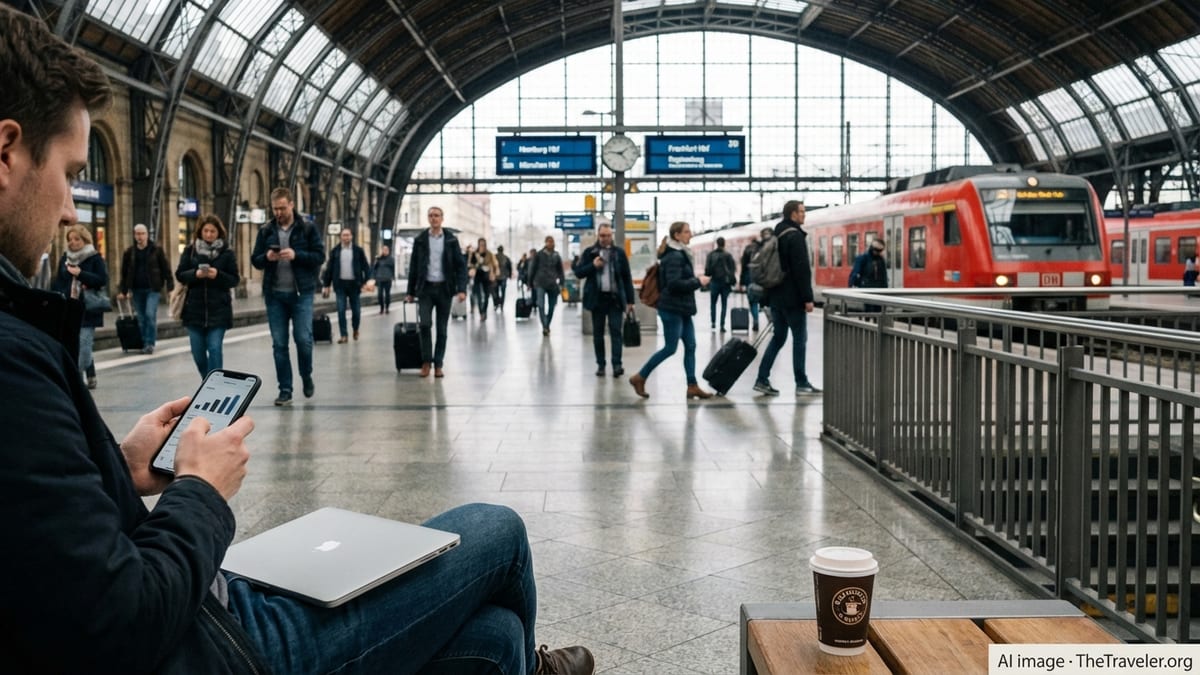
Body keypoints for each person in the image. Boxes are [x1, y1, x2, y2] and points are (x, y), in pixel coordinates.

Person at [0, 8, 594, 674]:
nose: (71, 208)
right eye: (70, 171)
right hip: (213, 644)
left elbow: (45, 524)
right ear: (7, 151)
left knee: (494, 637)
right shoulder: (10, 354)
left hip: (199, 610)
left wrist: (117, 461)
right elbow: (120, 621)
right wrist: (197, 488)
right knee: (499, 532)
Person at [251, 187, 325, 406]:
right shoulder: (266, 231)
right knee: (279, 344)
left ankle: (306, 375)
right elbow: (255, 259)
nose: (279, 213)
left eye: (282, 208)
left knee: (303, 339)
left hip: (302, 293)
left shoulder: (307, 229)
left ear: (292, 204)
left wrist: (296, 255)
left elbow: (319, 256)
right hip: (275, 295)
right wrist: (267, 256)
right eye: (275, 209)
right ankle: (285, 389)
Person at [629, 221, 714, 401]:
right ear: (677, 235)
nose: (690, 234)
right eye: (687, 232)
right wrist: (698, 281)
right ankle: (639, 377)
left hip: (682, 308)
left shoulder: (680, 254)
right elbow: (674, 284)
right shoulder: (674, 257)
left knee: (690, 346)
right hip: (672, 308)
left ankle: (692, 386)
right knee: (670, 348)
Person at [753, 200, 822, 397]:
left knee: (778, 338)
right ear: (793, 214)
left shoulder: (777, 234)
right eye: (802, 212)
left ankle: (762, 379)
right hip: (792, 298)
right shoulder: (795, 236)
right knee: (800, 339)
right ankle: (801, 382)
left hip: (776, 297)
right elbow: (801, 270)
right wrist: (808, 298)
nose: (804, 215)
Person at [405, 205, 468, 378]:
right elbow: (414, 267)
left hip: (444, 290)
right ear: (428, 218)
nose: (434, 218)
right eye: (431, 215)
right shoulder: (420, 240)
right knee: (424, 325)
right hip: (425, 289)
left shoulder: (451, 240)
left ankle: (438, 364)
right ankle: (426, 361)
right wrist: (410, 291)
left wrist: (461, 289)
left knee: (442, 329)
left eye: (437, 215)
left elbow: (460, 266)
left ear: (442, 218)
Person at [175, 214, 238, 377]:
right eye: (206, 231)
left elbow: (234, 279)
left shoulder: (227, 253)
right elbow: (180, 274)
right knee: (198, 353)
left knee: (215, 349)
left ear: (219, 233)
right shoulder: (190, 251)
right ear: (200, 232)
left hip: (218, 311)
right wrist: (195, 274)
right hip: (194, 311)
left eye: (213, 231)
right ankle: (207, 381)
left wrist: (217, 275)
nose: (209, 234)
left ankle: (215, 385)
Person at [573, 224, 636, 377]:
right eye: (602, 235)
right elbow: (579, 273)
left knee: (616, 332)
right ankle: (601, 364)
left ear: (611, 236)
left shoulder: (619, 253)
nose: (605, 238)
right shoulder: (590, 252)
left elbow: (627, 278)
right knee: (598, 333)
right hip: (597, 299)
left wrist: (630, 301)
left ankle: (617, 364)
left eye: (608, 235)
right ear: (597, 235)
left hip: (614, 299)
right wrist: (593, 266)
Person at [52, 223, 108, 389]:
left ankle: (75, 380)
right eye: (70, 239)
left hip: (87, 309)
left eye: (76, 239)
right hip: (68, 308)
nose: (73, 242)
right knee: (76, 345)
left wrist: (81, 274)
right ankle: (89, 374)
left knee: (83, 345)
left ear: (85, 240)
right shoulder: (65, 258)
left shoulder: (95, 258)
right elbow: (58, 281)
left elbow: (101, 280)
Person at [117, 223, 174, 354]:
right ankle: (144, 342)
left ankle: (150, 343)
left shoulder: (156, 250)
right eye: (137, 234)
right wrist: (123, 290)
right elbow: (125, 273)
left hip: (153, 288)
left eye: (142, 234)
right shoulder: (129, 252)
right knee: (141, 318)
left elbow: (166, 269)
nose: (140, 237)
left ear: (147, 235)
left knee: (149, 314)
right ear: (134, 235)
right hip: (137, 289)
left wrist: (170, 287)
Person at [321, 227, 370, 343]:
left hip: (355, 285)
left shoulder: (358, 250)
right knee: (341, 310)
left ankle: (355, 328)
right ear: (340, 237)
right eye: (344, 235)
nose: (346, 237)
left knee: (356, 311)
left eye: (348, 235)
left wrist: (368, 280)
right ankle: (344, 335)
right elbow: (329, 269)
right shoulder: (335, 251)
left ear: (351, 237)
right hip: (340, 285)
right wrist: (326, 285)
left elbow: (366, 267)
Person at [527, 236, 564, 336]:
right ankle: (545, 326)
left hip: (552, 284)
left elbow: (560, 270)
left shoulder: (556, 255)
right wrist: (529, 282)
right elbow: (533, 268)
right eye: (548, 242)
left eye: (552, 242)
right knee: (541, 305)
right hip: (540, 283)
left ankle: (547, 323)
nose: (550, 244)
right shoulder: (539, 255)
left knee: (552, 306)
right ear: (545, 243)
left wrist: (562, 283)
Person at [738, 228, 772, 332]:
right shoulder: (765, 247)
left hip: (750, 278)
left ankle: (756, 320)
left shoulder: (748, 249)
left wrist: (741, 282)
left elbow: (744, 266)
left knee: (753, 301)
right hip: (764, 277)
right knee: (766, 300)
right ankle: (770, 319)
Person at [704, 236, 737, 333]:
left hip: (714, 282)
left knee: (713, 303)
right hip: (725, 283)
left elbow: (707, 269)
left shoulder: (711, 255)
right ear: (724, 243)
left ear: (717, 244)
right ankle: (722, 325)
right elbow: (732, 269)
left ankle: (713, 322)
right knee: (724, 304)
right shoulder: (728, 255)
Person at [848, 237, 888, 313]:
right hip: (867, 289)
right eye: (876, 249)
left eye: (880, 250)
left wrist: (885, 290)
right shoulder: (863, 258)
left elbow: (884, 276)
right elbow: (855, 273)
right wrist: (852, 285)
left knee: (878, 311)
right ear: (872, 248)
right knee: (869, 311)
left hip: (879, 290)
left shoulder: (881, 260)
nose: (877, 252)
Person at [467, 237, 499, 320]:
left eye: (483, 245)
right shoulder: (475, 253)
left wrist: (493, 273)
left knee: (486, 295)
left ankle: (484, 311)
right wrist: (475, 266)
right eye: (481, 244)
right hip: (477, 276)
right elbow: (470, 264)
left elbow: (495, 265)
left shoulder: (489, 254)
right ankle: (481, 312)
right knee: (478, 295)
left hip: (487, 277)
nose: (482, 246)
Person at [373, 243, 396, 313]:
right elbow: (375, 268)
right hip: (380, 278)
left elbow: (393, 268)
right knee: (380, 294)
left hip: (387, 278)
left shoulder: (391, 259)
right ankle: (381, 307)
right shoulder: (379, 259)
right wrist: (377, 259)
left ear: (388, 251)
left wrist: (392, 277)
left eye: (386, 250)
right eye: (383, 250)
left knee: (387, 294)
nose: (385, 251)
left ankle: (387, 308)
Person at [494, 244, 513, 311]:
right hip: (503, 277)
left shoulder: (494, 257)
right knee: (503, 291)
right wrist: (510, 275)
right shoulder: (506, 258)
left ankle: (497, 303)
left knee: (496, 291)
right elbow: (510, 267)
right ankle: (501, 304)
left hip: (496, 277)